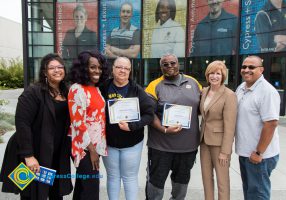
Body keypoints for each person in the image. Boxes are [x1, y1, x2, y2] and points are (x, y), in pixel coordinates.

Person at [0, 53, 72, 199]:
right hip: (33, 150)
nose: (57, 70)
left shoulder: (67, 91)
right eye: (52, 68)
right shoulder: (33, 92)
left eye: (60, 67)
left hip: (56, 152)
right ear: (44, 72)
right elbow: (22, 123)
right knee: (31, 194)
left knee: (55, 191)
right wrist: (28, 156)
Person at [145, 54, 202, 200]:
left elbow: (203, 107)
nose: (170, 66)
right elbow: (149, 113)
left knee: (181, 186)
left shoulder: (194, 82)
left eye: (173, 63)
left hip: (188, 148)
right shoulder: (154, 85)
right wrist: (164, 129)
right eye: (165, 64)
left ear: (178, 64)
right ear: (161, 67)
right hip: (160, 147)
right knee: (155, 186)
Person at [100, 57, 154, 200]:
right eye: (119, 67)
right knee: (112, 177)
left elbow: (149, 115)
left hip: (132, 143)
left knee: (129, 177)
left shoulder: (137, 90)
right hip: (109, 143)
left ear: (130, 71)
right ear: (113, 68)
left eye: (126, 68)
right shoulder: (103, 87)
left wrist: (132, 126)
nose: (122, 70)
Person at [235, 55, 280, 200]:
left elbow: (271, 123)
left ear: (261, 70)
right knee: (250, 192)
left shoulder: (267, 91)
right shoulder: (241, 88)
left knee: (258, 195)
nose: (246, 70)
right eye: (244, 66)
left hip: (259, 156)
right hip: (245, 152)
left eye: (251, 67)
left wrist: (259, 153)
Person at [68, 51, 108, 200]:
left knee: (83, 185)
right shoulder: (77, 89)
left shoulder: (96, 88)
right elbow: (78, 123)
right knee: (91, 188)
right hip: (83, 146)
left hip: (94, 145)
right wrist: (92, 150)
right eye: (92, 67)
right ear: (84, 68)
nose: (97, 71)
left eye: (99, 67)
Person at [199, 60, 237, 200]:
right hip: (204, 142)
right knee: (206, 179)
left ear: (223, 76)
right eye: (211, 73)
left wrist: (225, 152)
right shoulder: (204, 91)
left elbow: (230, 126)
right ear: (207, 75)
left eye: (218, 73)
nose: (214, 76)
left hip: (220, 145)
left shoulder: (229, 95)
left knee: (222, 181)